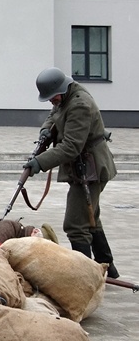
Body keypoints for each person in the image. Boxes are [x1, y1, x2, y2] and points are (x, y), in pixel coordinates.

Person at [24, 67, 119, 278]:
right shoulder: (66, 96)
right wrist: (46, 131)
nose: (51, 101)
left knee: (76, 224)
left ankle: (83, 276)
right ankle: (107, 267)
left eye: (53, 97)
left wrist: (39, 162)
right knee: (90, 216)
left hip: (91, 167)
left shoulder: (79, 104)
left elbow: (71, 147)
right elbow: (55, 113)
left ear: (62, 89)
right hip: (85, 165)